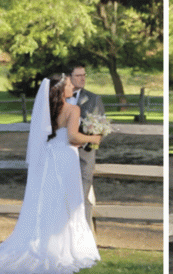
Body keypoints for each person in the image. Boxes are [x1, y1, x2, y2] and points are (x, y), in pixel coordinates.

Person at [0, 74, 101, 273]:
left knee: (48, 199)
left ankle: (41, 239)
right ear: (61, 89)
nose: (72, 86)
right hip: (65, 159)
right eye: (69, 84)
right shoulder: (72, 109)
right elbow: (71, 136)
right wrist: (93, 137)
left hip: (48, 159)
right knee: (67, 200)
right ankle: (65, 245)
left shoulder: (47, 109)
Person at [66, 62, 105, 233]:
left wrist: (91, 137)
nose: (83, 79)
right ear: (69, 78)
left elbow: (100, 130)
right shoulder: (59, 99)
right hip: (62, 155)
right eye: (78, 75)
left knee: (82, 200)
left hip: (84, 157)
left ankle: (82, 237)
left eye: (84, 75)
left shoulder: (93, 99)